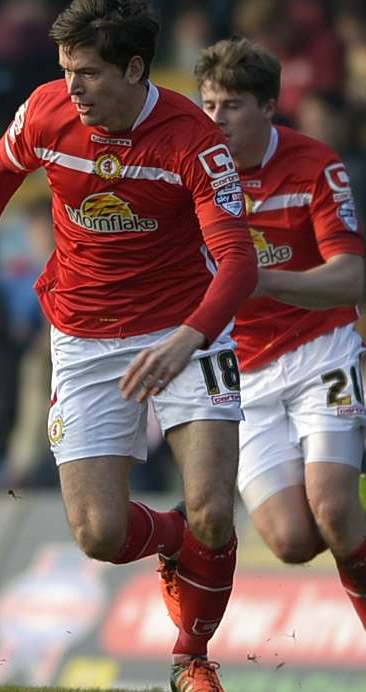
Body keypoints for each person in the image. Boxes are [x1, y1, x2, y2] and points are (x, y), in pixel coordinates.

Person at [0, 2, 257, 689]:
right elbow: (3, 165)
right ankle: (174, 543)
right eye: (65, 71)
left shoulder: (192, 139)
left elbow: (238, 264)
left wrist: (188, 338)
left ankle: (191, 658)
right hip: (85, 337)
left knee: (212, 508)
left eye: (87, 72)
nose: (73, 87)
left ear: (135, 68)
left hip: (186, 326)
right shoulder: (47, 110)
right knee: (98, 533)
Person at [196, 38, 366, 628]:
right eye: (209, 103)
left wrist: (260, 280)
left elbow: (351, 277)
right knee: (294, 540)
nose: (216, 118)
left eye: (232, 105)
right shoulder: (190, 176)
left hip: (323, 350)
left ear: (269, 106)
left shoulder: (316, 164)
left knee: (336, 511)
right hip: (244, 375)